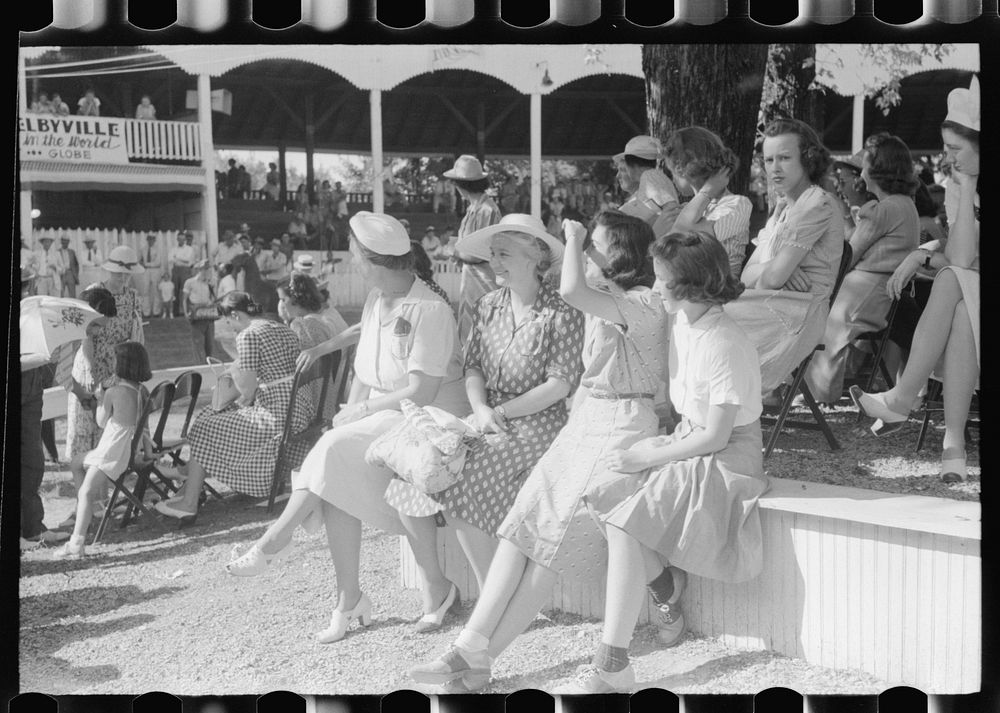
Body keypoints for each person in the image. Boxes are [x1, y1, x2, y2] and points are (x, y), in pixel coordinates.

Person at [410, 210, 667, 692]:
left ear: (621, 256)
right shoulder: (606, 302)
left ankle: (479, 654)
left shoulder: (641, 302)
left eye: (595, 245)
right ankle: (472, 646)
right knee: (521, 524)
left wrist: (567, 237)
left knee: (550, 542)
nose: (584, 251)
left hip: (624, 422)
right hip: (589, 420)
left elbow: (570, 291)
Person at [222, 213, 469, 648]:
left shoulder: (430, 309)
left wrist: (361, 410)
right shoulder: (380, 297)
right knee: (333, 468)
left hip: (423, 417)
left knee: (332, 450)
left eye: (356, 256)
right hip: (384, 414)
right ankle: (349, 598)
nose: (354, 263)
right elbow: (365, 352)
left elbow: (422, 390)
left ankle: (276, 539)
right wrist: (348, 400)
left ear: (372, 261)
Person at [557, 231, 767, 693]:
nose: (654, 288)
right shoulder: (684, 323)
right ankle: (666, 590)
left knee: (628, 518)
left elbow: (718, 435)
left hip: (729, 455)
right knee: (602, 494)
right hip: (691, 439)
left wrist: (648, 452)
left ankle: (613, 661)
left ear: (691, 283)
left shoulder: (724, 341)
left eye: (662, 279)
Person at [385, 215, 583, 632]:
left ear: (535, 257)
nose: (494, 262)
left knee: (460, 477)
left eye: (504, 254)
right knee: (414, 474)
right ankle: (447, 589)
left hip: (538, 422)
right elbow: (473, 366)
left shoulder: (561, 309)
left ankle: (495, 599)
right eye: (493, 254)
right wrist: (479, 407)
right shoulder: (487, 305)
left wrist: (499, 414)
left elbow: (559, 386)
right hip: (487, 414)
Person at [852, 76, 980, 484]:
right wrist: (922, 251)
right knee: (957, 303)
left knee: (949, 284)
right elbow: (961, 259)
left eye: (956, 150)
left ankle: (903, 399)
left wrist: (923, 253)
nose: (948, 159)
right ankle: (952, 446)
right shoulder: (963, 186)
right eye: (946, 150)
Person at [155, 292, 310, 517]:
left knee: (205, 426)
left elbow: (246, 388)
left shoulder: (248, 335)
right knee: (212, 416)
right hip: (298, 407)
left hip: (278, 414)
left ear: (235, 314)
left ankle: (189, 500)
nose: (230, 328)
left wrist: (232, 373)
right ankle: (189, 481)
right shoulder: (280, 327)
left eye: (228, 322)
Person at [723, 118, 844, 395]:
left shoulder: (817, 203)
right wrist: (775, 266)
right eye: (768, 160)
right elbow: (748, 275)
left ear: (808, 158)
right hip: (774, 303)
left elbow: (769, 281)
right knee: (695, 312)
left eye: (785, 158)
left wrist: (777, 271)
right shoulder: (783, 210)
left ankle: (719, 419)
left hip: (799, 312)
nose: (774, 168)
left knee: (708, 319)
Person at [802, 133, 920, 403]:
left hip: (866, 291)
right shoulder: (903, 204)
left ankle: (815, 392)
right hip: (880, 290)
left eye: (865, 164)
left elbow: (849, 254)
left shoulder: (885, 209)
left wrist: (836, 206)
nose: (861, 171)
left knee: (822, 319)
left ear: (879, 169)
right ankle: (812, 389)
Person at [53, 343, 154, 560]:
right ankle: (85, 512)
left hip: (110, 452)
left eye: (115, 361)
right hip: (122, 450)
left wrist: (100, 398)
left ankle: (76, 544)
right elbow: (144, 427)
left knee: (86, 492)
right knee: (77, 462)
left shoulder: (114, 392)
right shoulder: (141, 391)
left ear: (122, 366)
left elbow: (100, 422)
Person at [66, 251, 145, 463]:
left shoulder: (132, 296)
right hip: (91, 357)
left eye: (127, 275)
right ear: (109, 270)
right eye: (119, 274)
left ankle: (110, 466)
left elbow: (134, 334)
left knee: (112, 418)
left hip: (117, 364)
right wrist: (91, 368)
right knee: (88, 415)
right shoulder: (94, 292)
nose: (123, 279)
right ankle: (82, 465)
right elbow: (86, 334)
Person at [20, 269, 71, 548]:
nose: (26, 290)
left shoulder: (30, 315)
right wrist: (39, 359)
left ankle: (32, 529)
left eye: (27, 285)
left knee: (33, 463)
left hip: (31, 395)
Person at [662, 126, 752, 277]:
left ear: (681, 169)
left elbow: (681, 233)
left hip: (719, 294)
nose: (673, 179)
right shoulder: (691, 208)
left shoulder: (737, 204)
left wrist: (708, 190)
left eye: (672, 172)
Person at [444, 155, 503, 343]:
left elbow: (481, 252)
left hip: (485, 284)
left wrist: (452, 250)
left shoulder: (488, 210)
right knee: (470, 337)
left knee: (484, 336)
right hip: (471, 282)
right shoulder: (473, 209)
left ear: (461, 185)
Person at [613, 135, 679, 238]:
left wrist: (654, 233)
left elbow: (671, 209)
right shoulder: (650, 178)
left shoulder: (650, 176)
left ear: (631, 164)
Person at [277, 271, 343, 350]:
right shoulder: (330, 312)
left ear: (294, 298)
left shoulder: (303, 325)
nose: (282, 305)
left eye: (283, 300)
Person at [183, 260, 218, 361]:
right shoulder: (190, 282)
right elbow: (184, 299)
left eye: (208, 268)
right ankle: (200, 367)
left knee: (210, 344)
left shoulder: (212, 281)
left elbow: (215, 298)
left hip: (209, 314)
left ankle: (209, 366)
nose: (207, 271)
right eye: (205, 269)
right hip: (196, 313)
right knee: (198, 343)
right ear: (199, 269)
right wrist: (186, 313)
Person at [169, 232, 196, 316]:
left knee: (186, 290)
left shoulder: (189, 249)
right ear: (177, 239)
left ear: (185, 240)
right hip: (176, 270)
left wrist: (176, 257)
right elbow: (170, 259)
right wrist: (180, 259)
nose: (181, 241)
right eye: (179, 239)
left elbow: (188, 260)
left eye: (183, 239)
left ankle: (187, 311)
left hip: (185, 270)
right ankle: (175, 312)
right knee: (175, 291)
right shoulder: (173, 249)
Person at [139, 234, 164, 318]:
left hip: (155, 271)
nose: (150, 241)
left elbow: (158, 263)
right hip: (146, 272)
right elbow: (140, 261)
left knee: (156, 290)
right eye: (149, 239)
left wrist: (146, 264)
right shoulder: (143, 249)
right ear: (147, 240)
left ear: (155, 240)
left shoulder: (158, 250)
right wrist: (143, 264)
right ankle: (146, 312)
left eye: (152, 239)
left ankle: (156, 311)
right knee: (145, 291)